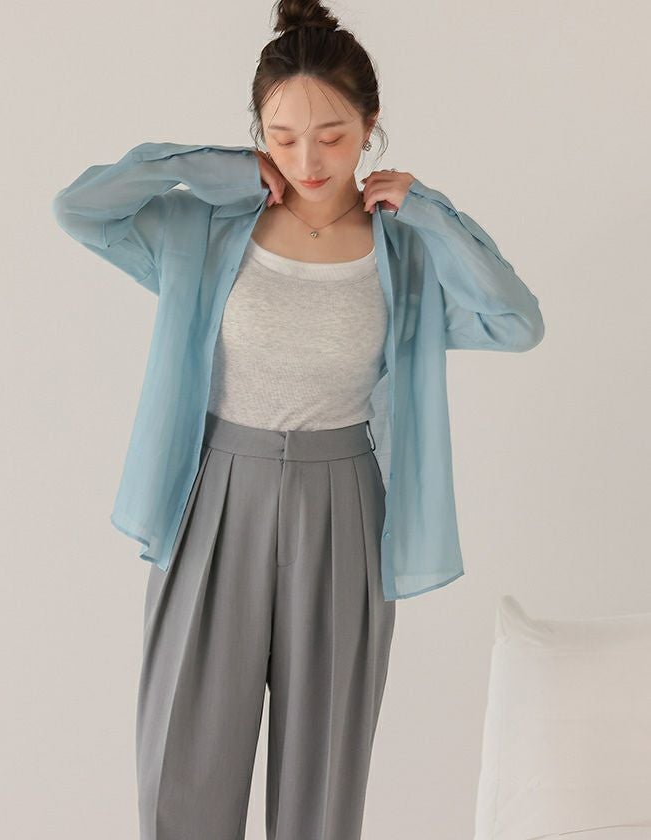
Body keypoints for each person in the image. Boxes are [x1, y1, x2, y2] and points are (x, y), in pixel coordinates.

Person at [51, 1, 545, 837]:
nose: (308, 160)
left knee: (323, 786)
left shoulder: (405, 254)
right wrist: (213, 168)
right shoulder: (204, 231)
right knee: (184, 773)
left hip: (343, 506)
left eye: (332, 135)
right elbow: (80, 208)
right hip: (213, 498)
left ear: (371, 127)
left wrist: (430, 209)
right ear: (258, 135)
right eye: (282, 137)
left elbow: (516, 322)